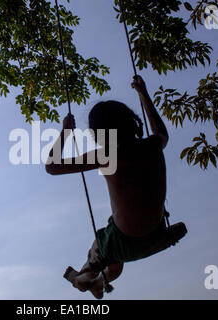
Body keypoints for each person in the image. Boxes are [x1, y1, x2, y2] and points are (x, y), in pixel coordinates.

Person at [45, 75, 169, 299]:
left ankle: (82, 278)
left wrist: (65, 131)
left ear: (97, 133)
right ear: (131, 121)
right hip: (156, 231)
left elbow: (52, 167)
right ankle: (97, 283)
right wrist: (144, 95)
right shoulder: (154, 144)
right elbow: (161, 130)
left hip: (123, 239)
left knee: (101, 250)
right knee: (114, 262)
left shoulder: (108, 155)